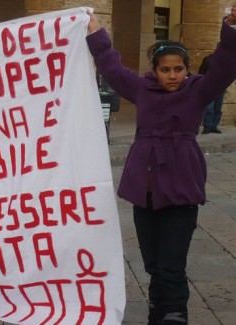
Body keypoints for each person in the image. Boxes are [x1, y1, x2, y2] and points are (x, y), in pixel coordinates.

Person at [87, 3, 236, 324]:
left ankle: (174, 312)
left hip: (181, 192)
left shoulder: (198, 91)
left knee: (172, 263)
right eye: (165, 69)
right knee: (153, 262)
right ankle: (158, 307)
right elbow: (112, 68)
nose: (172, 75)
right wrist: (95, 31)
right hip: (146, 194)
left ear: (187, 69)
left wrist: (232, 30)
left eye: (178, 69)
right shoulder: (141, 89)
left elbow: (225, 67)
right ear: (154, 70)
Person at [198, 52, 225, 134]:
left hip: (220, 88)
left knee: (218, 108)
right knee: (209, 108)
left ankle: (214, 127)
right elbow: (201, 73)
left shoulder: (224, 61)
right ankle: (207, 127)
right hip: (209, 87)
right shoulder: (207, 60)